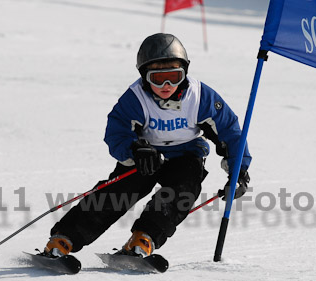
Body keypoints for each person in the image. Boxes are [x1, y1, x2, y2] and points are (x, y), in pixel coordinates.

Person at [42, 33, 251, 258]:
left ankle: (144, 238)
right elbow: (116, 130)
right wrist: (134, 150)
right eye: (157, 78)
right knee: (118, 192)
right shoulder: (136, 98)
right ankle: (65, 237)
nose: (167, 85)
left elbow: (230, 131)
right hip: (145, 156)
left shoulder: (200, 97)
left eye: (174, 76)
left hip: (186, 155)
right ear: (144, 76)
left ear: (185, 72)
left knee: (183, 190)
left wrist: (238, 170)